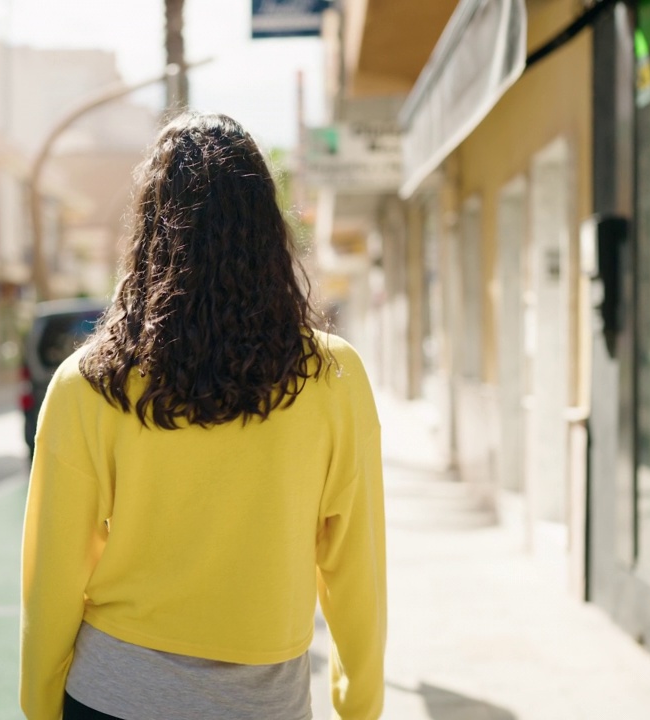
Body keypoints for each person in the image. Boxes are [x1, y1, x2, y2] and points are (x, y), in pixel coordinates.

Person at [20, 113, 386, 720]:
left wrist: (39, 706)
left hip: (111, 696)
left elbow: (52, 575)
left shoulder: (88, 383)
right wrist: (360, 706)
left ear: (148, 233)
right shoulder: (333, 377)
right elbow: (356, 567)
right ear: (268, 233)